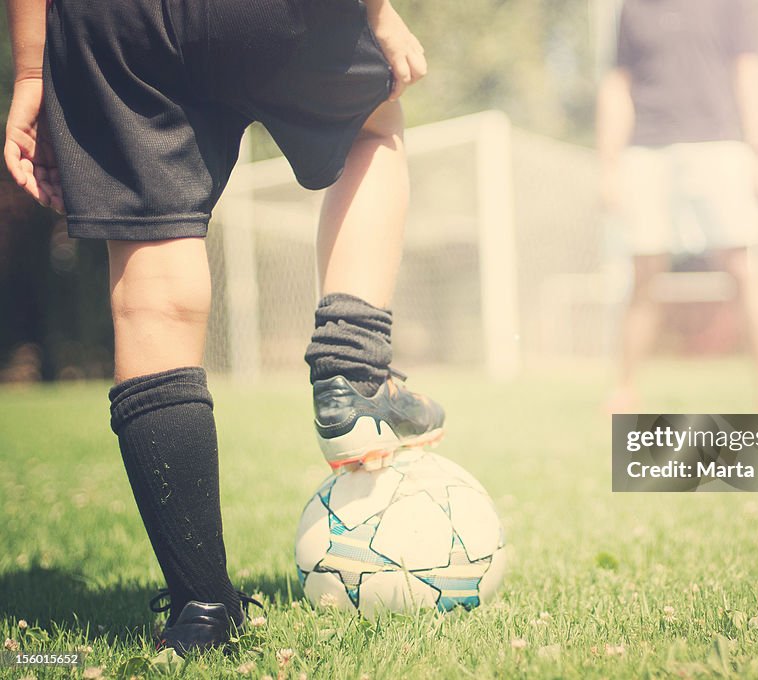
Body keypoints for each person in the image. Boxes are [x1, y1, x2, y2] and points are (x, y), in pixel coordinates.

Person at [4, 0, 443, 653]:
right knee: (371, 128)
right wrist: (377, 11)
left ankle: (201, 609)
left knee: (153, 294)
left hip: (113, 24)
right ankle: (351, 365)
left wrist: (34, 69)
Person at [597, 0, 758, 413]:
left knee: (742, 267)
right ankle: (624, 391)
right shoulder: (632, 10)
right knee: (644, 273)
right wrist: (609, 165)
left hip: (718, 146)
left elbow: (748, 71)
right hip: (646, 152)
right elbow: (617, 84)